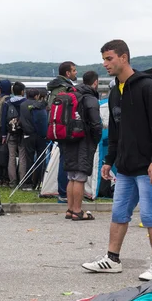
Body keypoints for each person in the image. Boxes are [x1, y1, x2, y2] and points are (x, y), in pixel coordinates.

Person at [82, 40, 152, 281]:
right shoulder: (114, 92)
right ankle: (112, 258)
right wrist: (109, 160)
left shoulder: (148, 88)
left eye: (109, 58)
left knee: (151, 215)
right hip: (125, 167)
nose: (105, 64)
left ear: (123, 57)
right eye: (103, 59)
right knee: (119, 212)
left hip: (149, 166)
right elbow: (116, 131)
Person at [62, 71, 102, 220]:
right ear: (95, 82)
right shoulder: (90, 98)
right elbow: (96, 124)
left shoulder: (73, 94)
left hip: (69, 139)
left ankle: (70, 209)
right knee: (80, 177)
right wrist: (95, 139)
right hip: (83, 141)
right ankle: (78, 211)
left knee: (71, 176)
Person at [47, 61, 77, 203]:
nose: (76, 73)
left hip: (55, 128)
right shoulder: (67, 88)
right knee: (67, 161)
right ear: (67, 73)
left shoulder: (54, 88)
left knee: (62, 159)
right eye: (74, 70)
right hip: (66, 128)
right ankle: (64, 193)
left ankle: (63, 192)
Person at [2, 82, 27, 187]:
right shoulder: (26, 102)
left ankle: (12, 182)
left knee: (11, 157)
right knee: (22, 157)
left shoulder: (6, 103)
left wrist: (4, 135)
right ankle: (22, 180)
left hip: (10, 132)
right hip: (22, 133)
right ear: (22, 91)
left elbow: (3, 119)